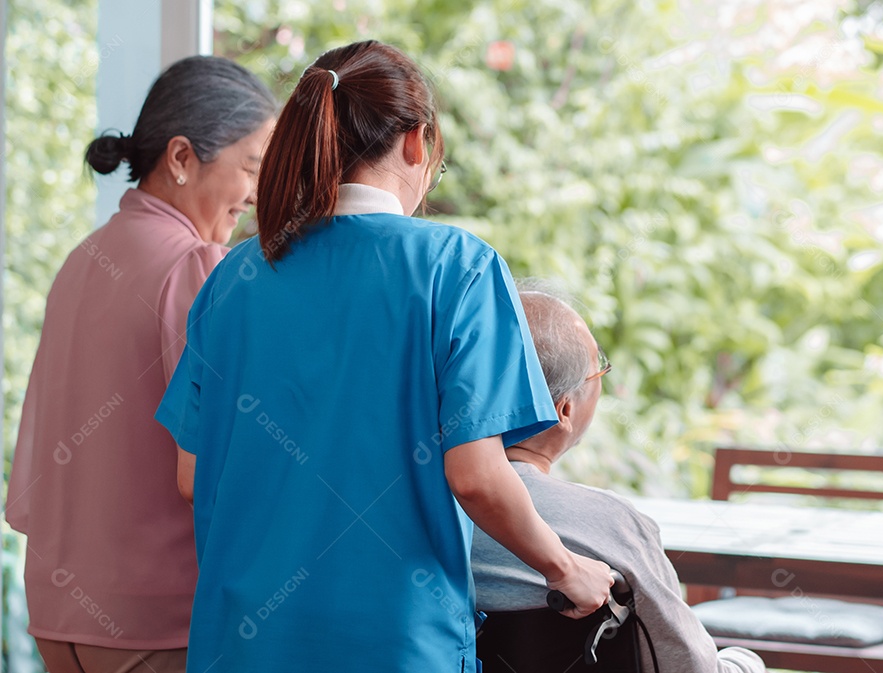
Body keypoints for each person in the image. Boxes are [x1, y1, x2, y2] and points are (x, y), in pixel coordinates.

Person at [153, 41, 611, 673]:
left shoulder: (235, 277)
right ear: (417, 143)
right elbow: (477, 475)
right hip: (394, 647)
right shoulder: (459, 267)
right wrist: (567, 568)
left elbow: (191, 476)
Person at [5, 56, 276, 673]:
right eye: (253, 168)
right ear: (182, 158)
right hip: (155, 620)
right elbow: (222, 453)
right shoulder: (197, 266)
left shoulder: (82, 259)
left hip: (58, 612)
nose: (258, 194)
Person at [471, 286, 768, 673]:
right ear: (563, 408)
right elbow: (686, 664)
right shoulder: (609, 523)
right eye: (600, 371)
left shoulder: (414, 511)